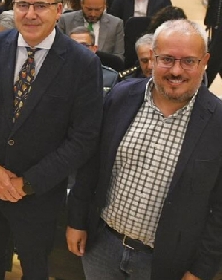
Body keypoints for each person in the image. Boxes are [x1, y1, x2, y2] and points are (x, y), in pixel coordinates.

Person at [0, 0, 103, 279]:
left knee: (35, 270)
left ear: (59, 10)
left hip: (39, 198)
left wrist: (28, 183)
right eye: (22, 5)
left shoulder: (83, 64)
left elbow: (83, 139)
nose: (30, 14)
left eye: (41, 6)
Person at [66, 19, 222, 280]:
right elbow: (92, 165)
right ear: (152, 57)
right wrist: (77, 220)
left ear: (204, 61)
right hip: (103, 246)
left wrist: (201, 269)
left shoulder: (217, 122)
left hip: (165, 263)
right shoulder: (120, 97)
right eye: (167, 59)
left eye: (189, 61)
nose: (176, 71)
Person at [58, 0, 124, 59]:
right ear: (81, 4)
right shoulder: (65, 21)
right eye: (89, 9)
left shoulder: (116, 24)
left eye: (97, 10)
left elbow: (119, 58)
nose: (93, 14)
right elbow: (58, 52)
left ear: (105, 6)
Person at [68, 26, 119, 94]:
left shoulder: (111, 77)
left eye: (84, 45)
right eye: (74, 45)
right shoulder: (60, 73)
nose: (78, 49)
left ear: (94, 49)